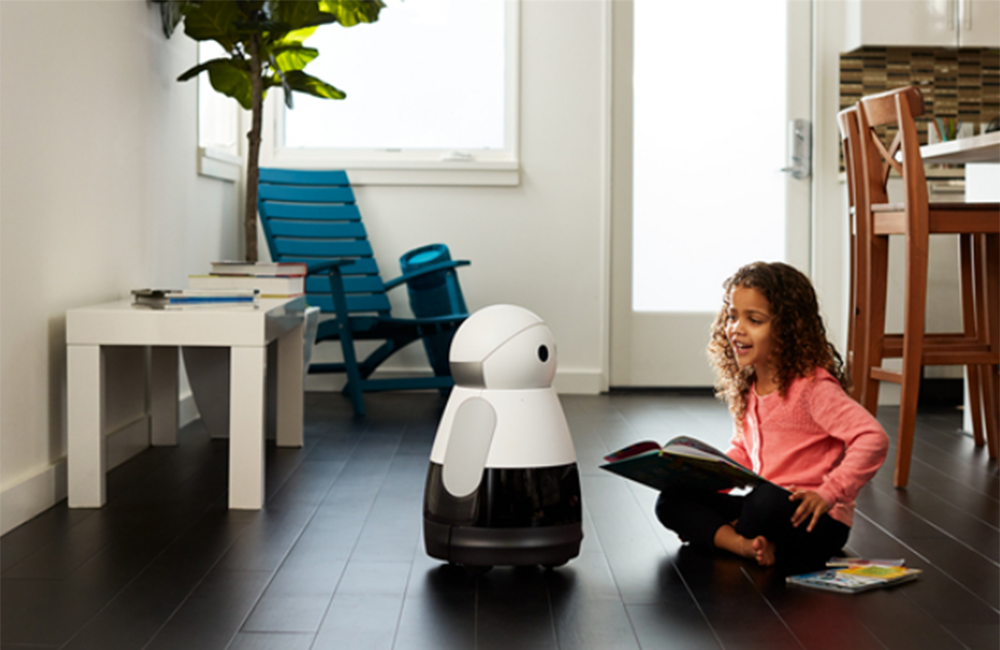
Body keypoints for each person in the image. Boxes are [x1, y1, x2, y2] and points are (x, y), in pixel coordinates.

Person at [655, 261, 888, 570]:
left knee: (765, 501)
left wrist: (828, 493)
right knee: (671, 499)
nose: (737, 328)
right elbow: (744, 450)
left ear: (789, 329)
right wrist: (707, 476)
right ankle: (742, 544)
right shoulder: (748, 387)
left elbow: (873, 438)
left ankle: (722, 533)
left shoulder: (814, 388)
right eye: (732, 316)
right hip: (765, 508)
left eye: (754, 320)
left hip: (815, 519)